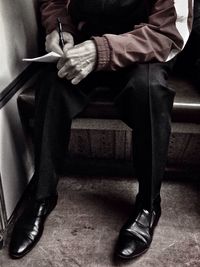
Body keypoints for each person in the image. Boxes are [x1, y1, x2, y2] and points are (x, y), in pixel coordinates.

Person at [9, 0, 194, 260]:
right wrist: (60, 31)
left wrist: (102, 50)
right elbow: (55, 3)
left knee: (149, 90)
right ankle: (41, 197)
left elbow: (168, 32)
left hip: (144, 47)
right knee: (52, 84)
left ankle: (148, 206)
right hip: (88, 40)